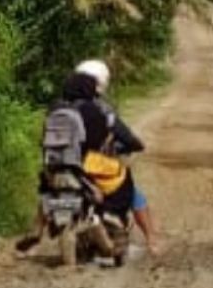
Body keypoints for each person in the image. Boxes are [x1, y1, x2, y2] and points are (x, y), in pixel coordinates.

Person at [18, 61, 161, 257]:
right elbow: (117, 138)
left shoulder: (55, 108)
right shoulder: (100, 109)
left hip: (54, 165)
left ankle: (37, 232)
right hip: (88, 165)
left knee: (48, 189)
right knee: (130, 187)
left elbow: (43, 139)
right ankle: (152, 240)